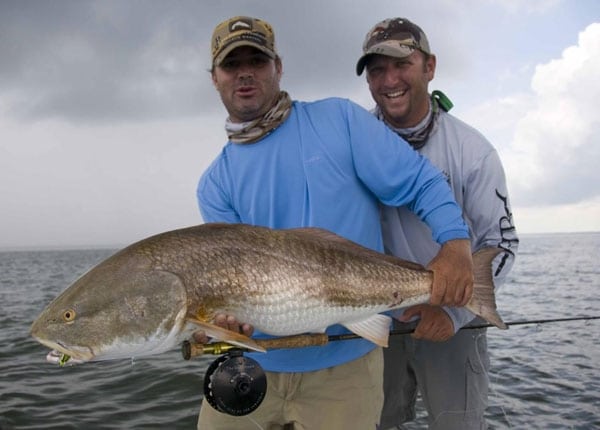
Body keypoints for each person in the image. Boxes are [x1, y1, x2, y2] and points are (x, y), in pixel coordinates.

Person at [195, 16, 475, 430]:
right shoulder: (214, 184)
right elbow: (228, 286)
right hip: (250, 367)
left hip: (348, 365)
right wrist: (223, 323)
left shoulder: (339, 121)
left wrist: (456, 244)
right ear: (214, 78)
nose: (245, 74)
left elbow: (421, 181)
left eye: (257, 60)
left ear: (279, 66)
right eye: (231, 66)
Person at [355, 17, 519, 430]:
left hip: (453, 318)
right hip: (374, 322)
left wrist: (455, 316)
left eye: (402, 64)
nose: (389, 79)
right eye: (377, 69)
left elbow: (502, 243)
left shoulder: (473, 151)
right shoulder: (351, 143)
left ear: (429, 67)